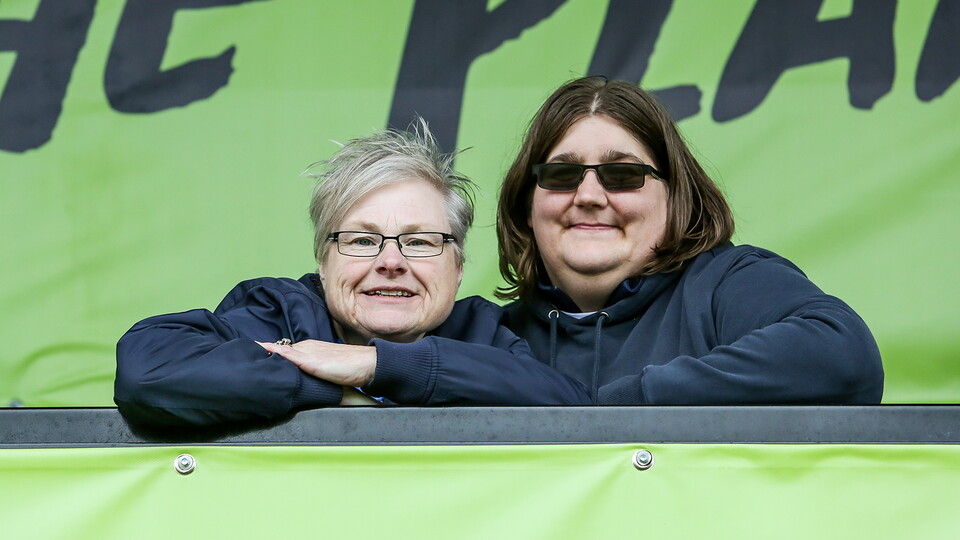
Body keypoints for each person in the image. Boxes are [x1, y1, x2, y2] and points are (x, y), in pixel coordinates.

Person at [115, 122, 591, 426]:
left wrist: (377, 367)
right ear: (323, 264)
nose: (391, 261)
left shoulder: (483, 332)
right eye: (362, 241)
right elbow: (147, 370)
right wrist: (338, 394)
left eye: (420, 241)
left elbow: (571, 410)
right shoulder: (279, 314)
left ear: (459, 268)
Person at [496, 76, 884, 404]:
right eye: (562, 175)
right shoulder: (494, 334)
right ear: (527, 204)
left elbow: (843, 353)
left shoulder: (721, 284)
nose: (589, 196)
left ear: (674, 197)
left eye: (623, 175)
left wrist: (621, 404)